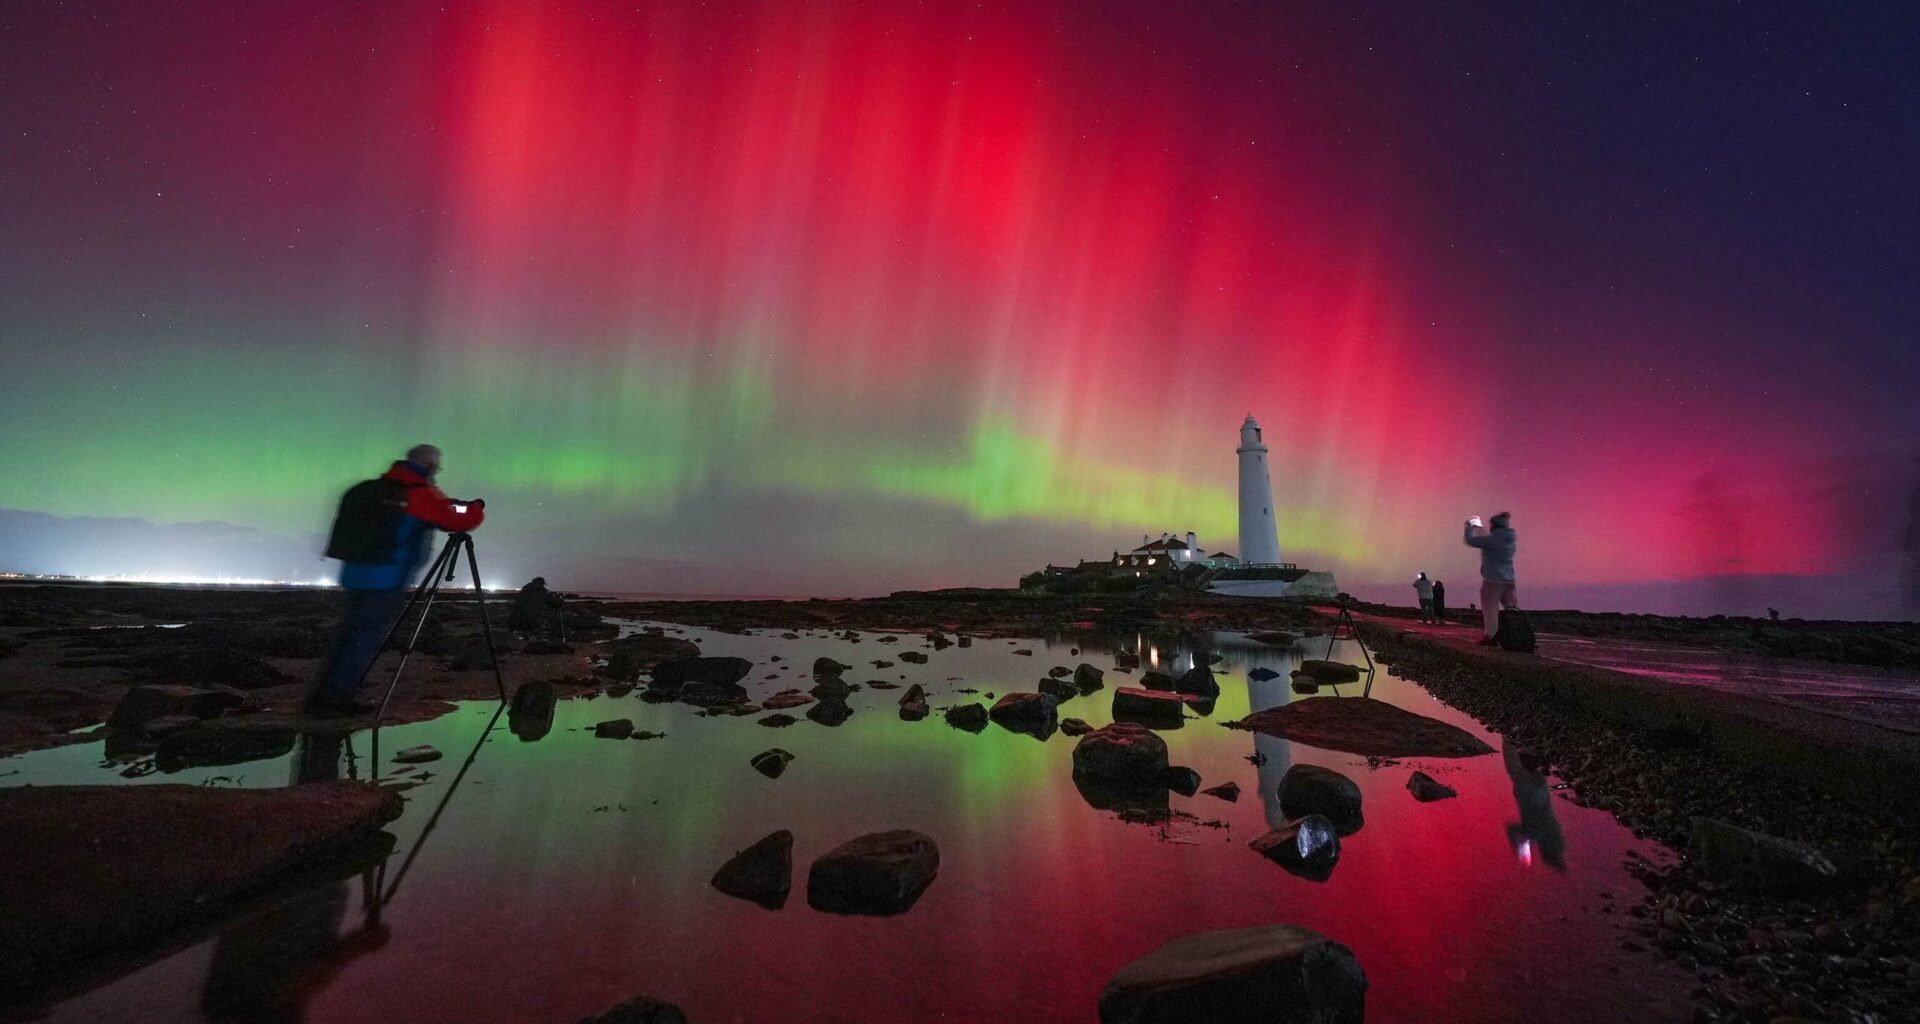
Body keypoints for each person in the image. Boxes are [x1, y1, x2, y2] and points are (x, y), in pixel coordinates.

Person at [310, 444, 485, 716]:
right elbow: (454, 520)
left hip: (354, 574)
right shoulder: (417, 493)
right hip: (386, 577)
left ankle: (327, 693)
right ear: (428, 466)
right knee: (363, 638)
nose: (437, 471)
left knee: (350, 634)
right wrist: (475, 509)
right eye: (436, 466)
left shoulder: (373, 489)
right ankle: (335, 699)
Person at [1463, 511, 1518, 647]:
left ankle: (1491, 636)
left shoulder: (1492, 540)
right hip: (1509, 579)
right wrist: (1481, 529)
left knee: (1490, 608)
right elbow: (1489, 539)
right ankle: (1515, 634)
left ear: (1495, 525)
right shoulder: (1509, 540)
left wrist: (1469, 527)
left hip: (1493, 580)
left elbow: (1471, 541)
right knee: (1511, 609)